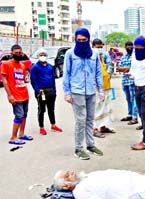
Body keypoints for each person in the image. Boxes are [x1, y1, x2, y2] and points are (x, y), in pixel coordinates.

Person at [62, 28, 104, 160]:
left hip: (91, 91)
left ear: (88, 39)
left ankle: (90, 145)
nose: (81, 42)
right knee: (80, 120)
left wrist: (100, 90)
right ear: (75, 39)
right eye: (79, 40)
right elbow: (66, 74)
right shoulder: (70, 54)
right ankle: (78, 148)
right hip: (76, 91)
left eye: (84, 40)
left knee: (90, 119)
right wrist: (67, 92)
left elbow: (98, 72)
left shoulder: (94, 54)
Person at [0, 44, 32, 145]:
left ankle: (21, 134)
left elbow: (21, 80)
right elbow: (4, 80)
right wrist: (9, 95)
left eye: (20, 53)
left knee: (24, 115)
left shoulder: (22, 65)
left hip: (24, 94)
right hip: (15, 96)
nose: (18, 54)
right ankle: (13, 137)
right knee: (19, 116)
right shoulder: (6, 64)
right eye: (16, 53)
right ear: (12, 53)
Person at [30, 48, 63, 135]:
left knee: (51, 109)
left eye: (44, 55)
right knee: (42, 110)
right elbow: (33, 81)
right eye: (41, 55)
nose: (43, 56)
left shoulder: (50, 67)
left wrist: (54, 91)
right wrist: (37, 92)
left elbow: (53, 79)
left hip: (51, 91)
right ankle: (41, 127)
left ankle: (53, 125)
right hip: (41, 92)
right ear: (38, 56)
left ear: (47, 56)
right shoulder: (35, 67)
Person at [92, 38, 115, 138]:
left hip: (106, 85)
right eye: (98, 47)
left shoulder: (102, 56)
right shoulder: (91, 57)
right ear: (93, 47)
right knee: (97, 108)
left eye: (101, 47)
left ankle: (103, 126)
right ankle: (94, 128)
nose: (100, 49)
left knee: (106, 107)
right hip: (97, 88)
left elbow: (109, 66)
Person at [117, 41, 139, 125]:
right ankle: (130, 114)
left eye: (131, 46)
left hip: (133, 81)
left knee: (134, 99)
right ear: (125, 47)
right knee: (128, 99)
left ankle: (134, 117)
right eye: (128, 46)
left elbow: (134, 68)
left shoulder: (135, 57)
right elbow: (119, 69)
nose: (129, 48)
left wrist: (125, 69)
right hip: (125, 81)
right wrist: (128, 68)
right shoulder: (123, 57)